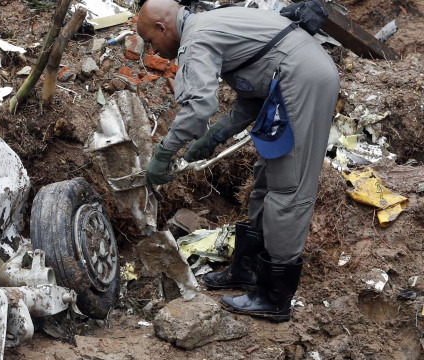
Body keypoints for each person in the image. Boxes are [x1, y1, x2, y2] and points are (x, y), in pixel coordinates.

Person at [137, 0, 340, 322]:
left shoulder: (196, 38)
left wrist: (164, 153)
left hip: (304, 80)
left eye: (151, 41)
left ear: (162, 27)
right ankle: (246, 270)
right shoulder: (211, 25)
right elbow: (251, 97)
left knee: (289, 189)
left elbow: (198, 107)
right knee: (266, 180)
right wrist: (213, 137)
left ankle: (274, 297)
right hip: (287, 81)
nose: (157, 52)